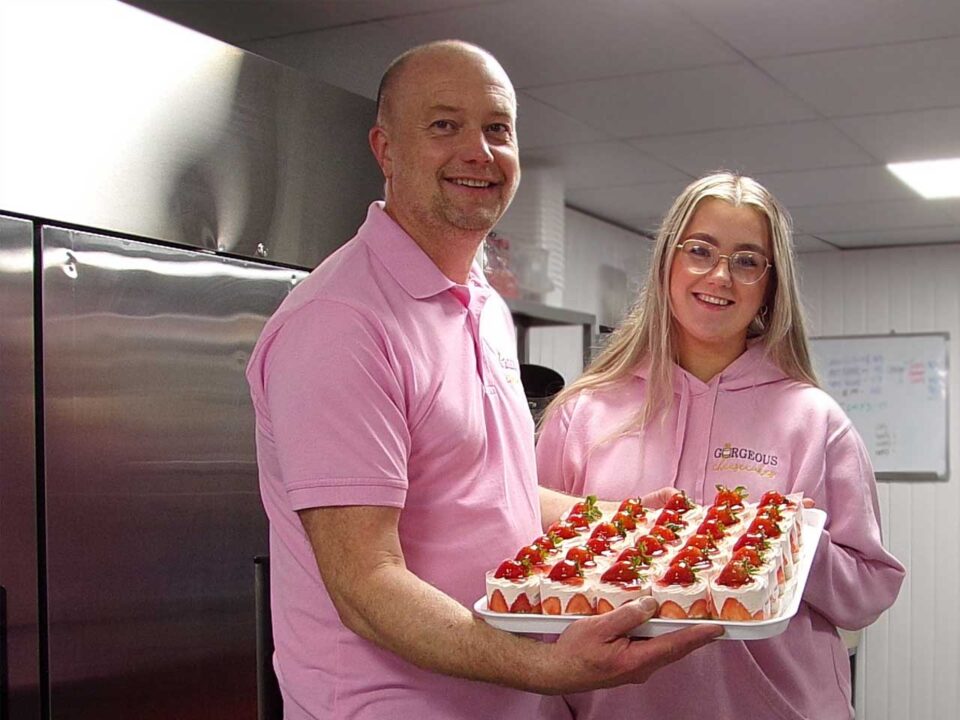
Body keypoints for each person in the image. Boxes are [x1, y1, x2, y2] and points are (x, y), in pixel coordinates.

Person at [245, 40, 721, 720]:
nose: (480, 151)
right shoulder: (341, 323)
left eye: (498, 129)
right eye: (445, 125)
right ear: (385, 150)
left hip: (502, 700)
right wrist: (543, 666)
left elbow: (491, 491)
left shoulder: (483, 303)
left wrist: (622, 524)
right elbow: (365, 585)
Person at [535, 172, 906, 720]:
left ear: (769, 285)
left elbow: (870, 592)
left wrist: (797, 545)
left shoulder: (815, 420)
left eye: (747, 260)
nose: (720, 276)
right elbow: (530, 562)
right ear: (667, 262)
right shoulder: (582, 413)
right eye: (700, 250)